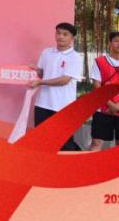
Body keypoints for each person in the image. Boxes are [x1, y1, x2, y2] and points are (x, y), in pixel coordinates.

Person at [28, 22, 83, 151]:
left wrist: (41, 82)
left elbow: (64, 80)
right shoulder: (46, 52)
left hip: (63, 106)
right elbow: (43, 73)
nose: (61, 36)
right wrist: (36, 70)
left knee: (64, 142)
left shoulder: (75, 57)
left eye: (65, 34)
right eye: (58, 33)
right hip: (43, 104)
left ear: (72, 38)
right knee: (41, 139)